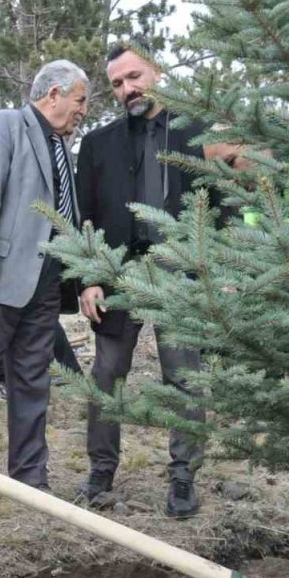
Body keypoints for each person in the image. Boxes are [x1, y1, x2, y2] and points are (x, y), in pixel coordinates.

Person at [73, 43, 219, 517]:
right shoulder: (98, 144)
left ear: (156, 71)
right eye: (116, 83)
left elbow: (223, 204)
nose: (127, 89)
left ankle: (182, 477)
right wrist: (88, 279)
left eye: (134, 76)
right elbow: (85, 218)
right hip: (117, 273)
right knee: (106, 373)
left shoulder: (197, 133)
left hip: (180, 271)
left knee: (183, 376)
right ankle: (100, 472)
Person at [0, 59, 88, 491]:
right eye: (80, 100)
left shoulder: (61, 147)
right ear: (53, 95)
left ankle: (30, 476)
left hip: (45, 281)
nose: (83, 110)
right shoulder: (5, 124)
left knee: (32, 380)